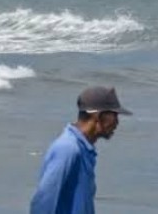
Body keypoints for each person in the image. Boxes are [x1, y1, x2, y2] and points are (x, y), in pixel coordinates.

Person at [30, 86, 132, 214]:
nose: (117, 122)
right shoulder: (68, 148)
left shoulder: (84, 148)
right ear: (98, 116)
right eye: (114, 115)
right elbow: (44, 200)